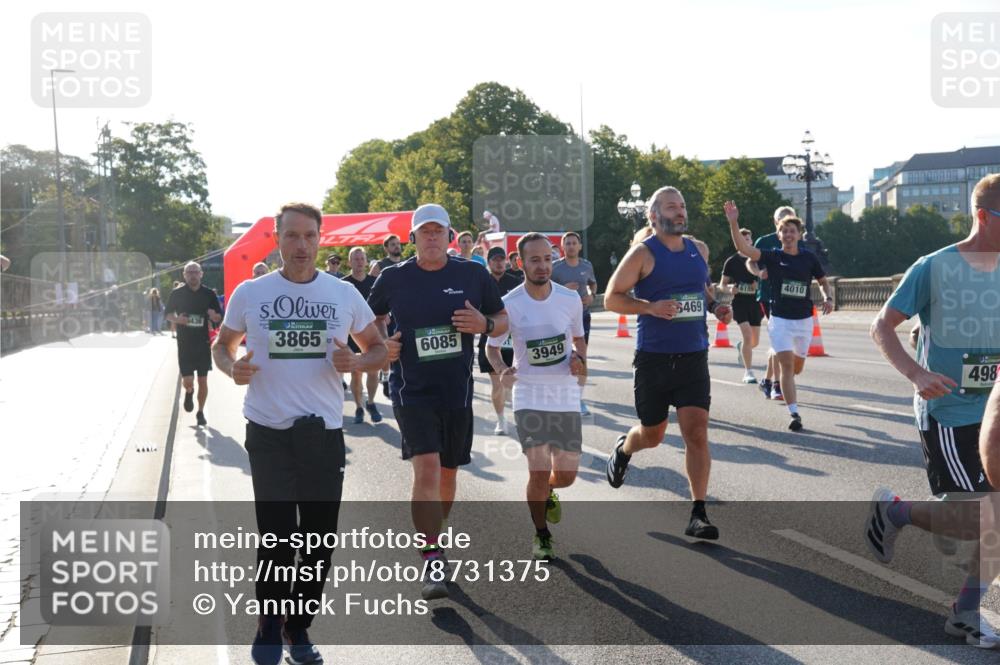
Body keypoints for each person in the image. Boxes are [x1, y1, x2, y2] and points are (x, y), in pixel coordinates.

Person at [213, 202, 386, 665]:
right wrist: (232, 368)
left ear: (320, 239)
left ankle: (298, 626)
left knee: (317, 541)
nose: (302, 245)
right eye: (292, 235)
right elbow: (223, 345)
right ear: (277, 239)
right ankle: (270, 623)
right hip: (268, 433)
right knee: (277, 537)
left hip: (322, 436)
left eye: (310, 236)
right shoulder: (251, 293)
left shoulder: (343, 294)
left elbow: (379, 348)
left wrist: (358, 361)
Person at [867, 174, 1000, 648]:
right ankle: (896, 513)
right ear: (983, 216)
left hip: (994, 411)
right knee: (983, 518)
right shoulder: (934, 267)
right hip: (949, 411)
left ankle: (965, 611)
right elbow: (882, 325)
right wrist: (917, 374)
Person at [368, 203, 507, 600]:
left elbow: (502, 318)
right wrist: (382, 344)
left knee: (447, 474)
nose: (431, 238)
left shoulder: (472, 274)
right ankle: (431, 555)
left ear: (449, 236)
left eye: (438, 231)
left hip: (457, 392)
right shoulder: (393, 278)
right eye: (424, 232)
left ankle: (434, 536)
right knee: (427, 469)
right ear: (412, 238)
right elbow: (368, 320)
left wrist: (485, 325)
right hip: (411, 390)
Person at [603, 186, 732, 539]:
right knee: (652, 435)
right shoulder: (643, 253)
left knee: (697, 433)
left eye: (682, 206)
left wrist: (715, 307)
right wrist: (649, 307)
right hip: (654, 360)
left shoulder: (698, 250)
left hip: (693, 356)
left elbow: (701, 290)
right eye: (671, 206)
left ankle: (698, 513)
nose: (680, 212)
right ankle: (624, 449)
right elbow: (612, 298)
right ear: (654, 215)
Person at [487, 232, 586, 561]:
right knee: (538, 470)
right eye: (534, 260)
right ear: (520, 263)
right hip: (529, 395)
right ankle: (541, 534)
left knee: (567, 476)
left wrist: (579, 359)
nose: (542, 266)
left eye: (547, 259)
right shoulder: (510, 304)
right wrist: (502, 368)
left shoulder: (569, 299)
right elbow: (491, 347)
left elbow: (578, 340)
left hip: (564, 395)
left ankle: (550, 492)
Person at [724, 202, 832, 431]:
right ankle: (794, 413)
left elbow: (823, 281)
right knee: (786, 367)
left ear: (799, 235)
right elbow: (745, 251)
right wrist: (733, 222)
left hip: (803, 320)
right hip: (780, 319)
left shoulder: (809, 258)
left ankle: (779, 382)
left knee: (797, 367)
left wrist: (827, 297)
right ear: (779, 234)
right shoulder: (772, 256)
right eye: (784, 231)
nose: (788, 235)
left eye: (792, 231)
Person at [747, 205, 799, 400]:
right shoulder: (765, 241)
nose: (786, 223)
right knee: (781, 340)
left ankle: (767, 380)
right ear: (775, 222)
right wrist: (758, 272)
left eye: (790, 218)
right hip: (769, 296)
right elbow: (750, 261)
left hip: (792, 298)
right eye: (782, 219)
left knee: (782, 342)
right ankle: (777, 384)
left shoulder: (798, 241)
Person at [165, 262, 223, 426]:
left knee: (203, 380)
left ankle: (200, 412)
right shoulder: (177, 293)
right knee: (188, 380)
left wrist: (213, 316)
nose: (192, 275)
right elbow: (167, 314)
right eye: (189, 272)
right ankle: (189, 391)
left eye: (195, 272)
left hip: (203, 342)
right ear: (184, 275)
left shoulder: (209, 294)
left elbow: (219, 317)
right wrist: (178, 320)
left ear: (201, 274)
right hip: (185, 343)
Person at [552, 231, 598, 416]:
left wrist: (592, 295)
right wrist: (563, 289)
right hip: (559, 318)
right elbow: (543, 290)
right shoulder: (555, 267)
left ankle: (578, 398)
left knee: (581, 357)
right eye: (568, 243)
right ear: (563, 247)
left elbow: (593, 284)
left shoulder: (587, 265)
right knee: (560, 357)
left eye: (574, 243)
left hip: (582, 316)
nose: (571, 246)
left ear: (579, 246)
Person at [479, 246, 523, 434]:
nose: (499, 263)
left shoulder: (516, 281)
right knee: (497, 383)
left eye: (501, 259)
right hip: (491, 338)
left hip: (514, 339)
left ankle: (520, 417)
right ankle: (501, 420)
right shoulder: (482, 282)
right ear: (489, 262)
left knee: (514, 382)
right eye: (495, 260)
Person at [342, 246, 383, 424]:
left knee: (373, 371)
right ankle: (359, 406)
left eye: (361, 259)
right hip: (351, 334)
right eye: (355, 259)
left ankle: (371, 402)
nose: (359, 262)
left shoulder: (375, 282)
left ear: (366, 261)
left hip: (371, 334)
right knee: (356, 373)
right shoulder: (343, 285)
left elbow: (384, 304)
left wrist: (387, 315)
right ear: (349, 262)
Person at [720, 228, 762, 384]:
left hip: (755, 303)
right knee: (747, 336)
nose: (746, 242)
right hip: (739, 303)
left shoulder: (757, 259)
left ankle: (742, 347)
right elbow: (722, 285)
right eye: (742, 240)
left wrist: (758, 286)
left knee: (754, 342)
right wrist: (730, 289)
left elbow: (766, 280)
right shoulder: (731, 261)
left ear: (752, 241)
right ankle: (748, 372)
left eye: (748, 239)